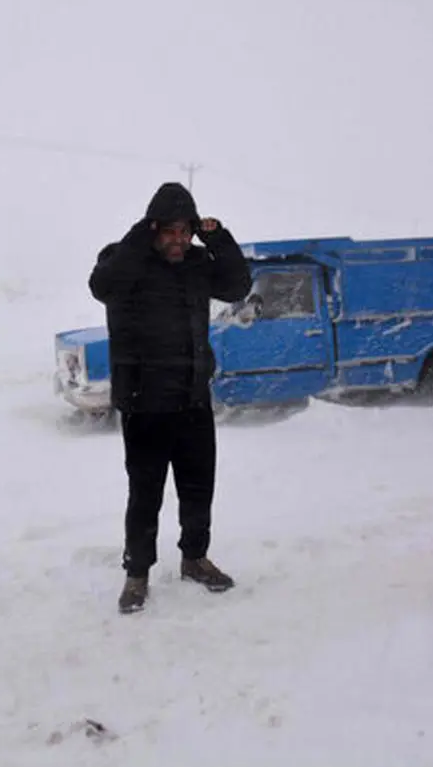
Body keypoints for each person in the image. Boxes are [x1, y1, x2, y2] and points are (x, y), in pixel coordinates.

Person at [89, 182, 253, 614]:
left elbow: (237, 285)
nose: (179, 240)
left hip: (193, 399)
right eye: (170, 232)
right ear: (153, 229)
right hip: (144, 405)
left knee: (198, 488)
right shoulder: (123, 261)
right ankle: (137, 574)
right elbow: (102, 286)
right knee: (145, 496)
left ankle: (195, 558)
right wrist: (142, 234)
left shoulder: (197, 264)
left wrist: (218, 238)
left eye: (186, 232)